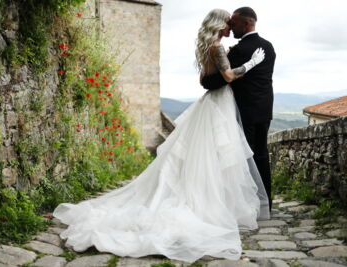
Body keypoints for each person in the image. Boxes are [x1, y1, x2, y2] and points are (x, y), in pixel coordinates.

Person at [53, 9, 269, 263]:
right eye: (228, 24)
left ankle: (212, 200)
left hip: (212, 103)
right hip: (219, 105)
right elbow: (229, 76)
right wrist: (253, 63)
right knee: (213, 155)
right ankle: (211, 204)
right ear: (220, 25)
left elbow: (204, 79)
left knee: (205, 156)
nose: (231, 28)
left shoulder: (209, 47)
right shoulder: (218, 48)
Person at [201, 7, 276, 211]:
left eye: (233, 23)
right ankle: (265, 203)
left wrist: (206, 79)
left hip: (243, 111)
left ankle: (248, 205)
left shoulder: (240, 50)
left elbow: (216, 80)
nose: (230, 27)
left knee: (244, 158)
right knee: (261, 154)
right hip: (264, 109)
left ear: (247, 23)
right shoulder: (268, 47)